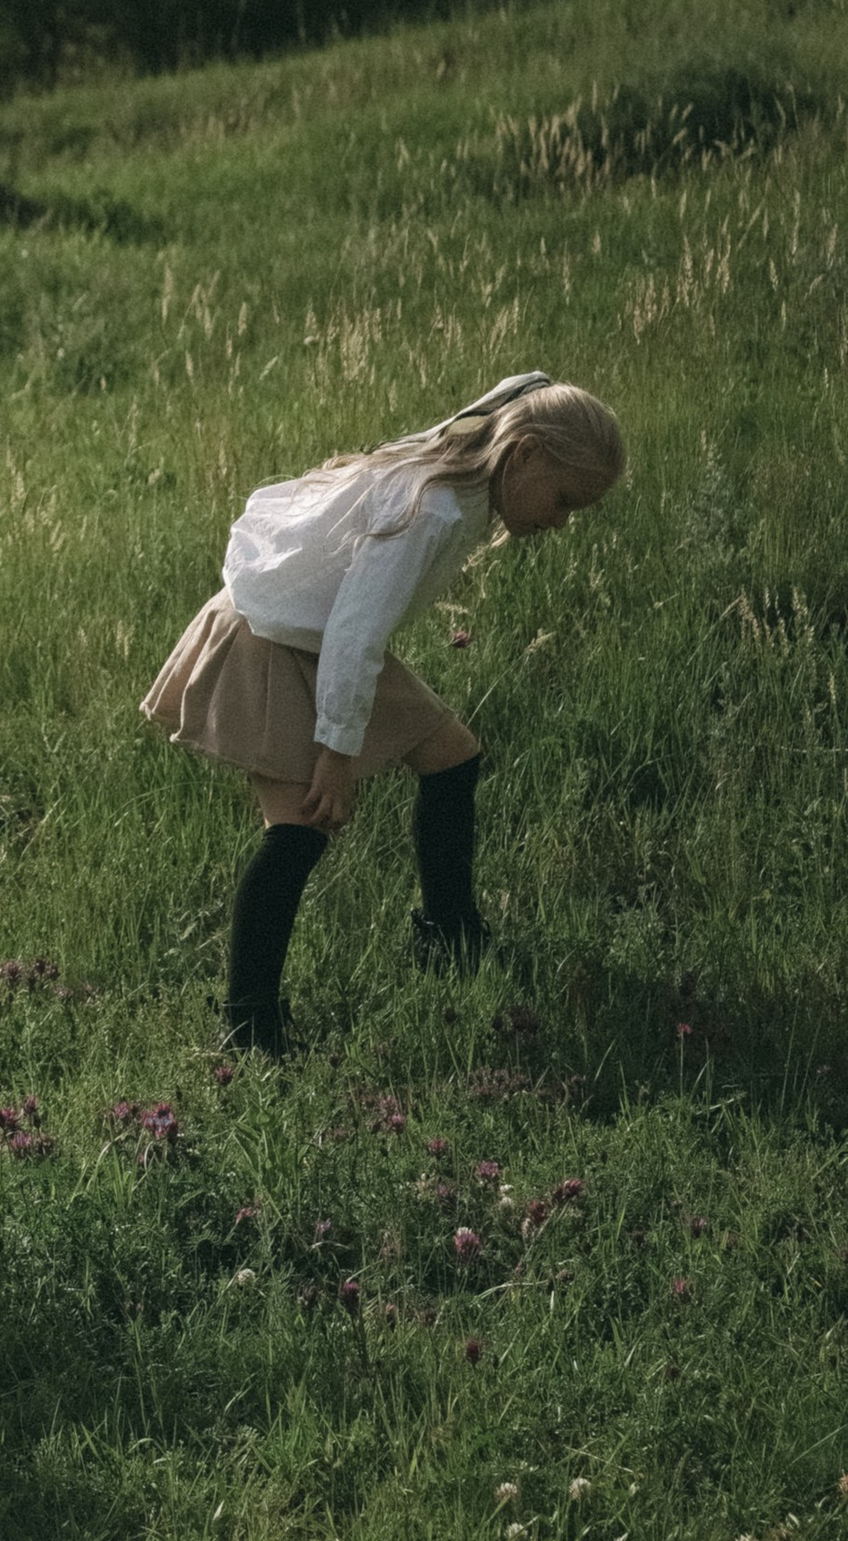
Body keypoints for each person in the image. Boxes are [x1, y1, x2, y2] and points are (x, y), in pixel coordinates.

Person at [141, 373, 626, 1053]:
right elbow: (355, 635)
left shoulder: (458, 484)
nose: (561, 521)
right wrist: (336, 756)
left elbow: (517, 390)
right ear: (526, 456)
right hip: (270, 641)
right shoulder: (432, 509)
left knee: (452, 755)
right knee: (302, 828)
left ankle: (451, 939)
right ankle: (251, 1030)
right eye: (564, 499)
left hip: (318, 637)